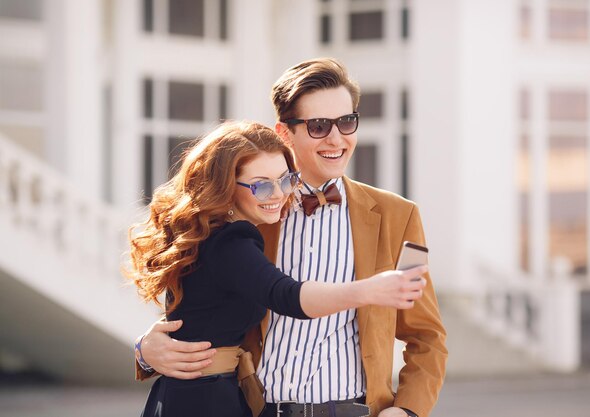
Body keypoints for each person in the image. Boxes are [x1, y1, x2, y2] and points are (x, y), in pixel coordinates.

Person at [136, 58, 448, 417]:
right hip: (253, 408)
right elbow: (202, 306)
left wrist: (408, 410)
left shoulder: (400, 216)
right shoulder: (249, 211)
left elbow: (427, 335)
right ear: (284, 133)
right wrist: (145, 349)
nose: (337, 138)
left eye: (347, 122)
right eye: (318, 125)